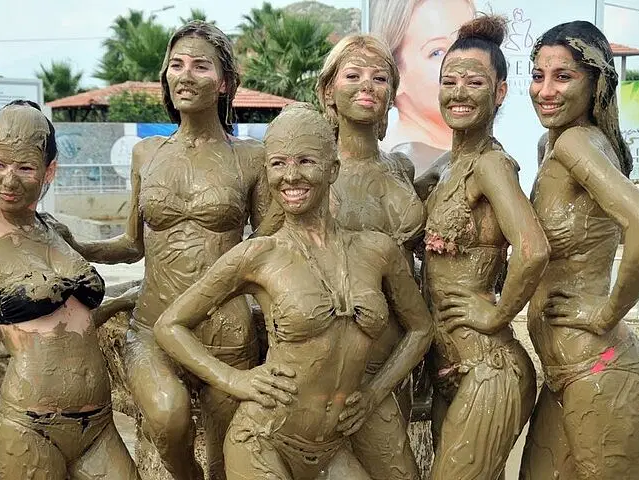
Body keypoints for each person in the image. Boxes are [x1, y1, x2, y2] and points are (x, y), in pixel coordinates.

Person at [154, 103, 433, 480]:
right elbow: (169, 325)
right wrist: (234, 380)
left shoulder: (376, 251)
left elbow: (421, 328)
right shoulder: (259, 255)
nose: (290, 176)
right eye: (278, 164)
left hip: (331, 445)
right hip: (263, 440)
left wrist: (374, 393)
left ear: (332, 170)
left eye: (305, 161)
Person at [57, 22, 273, 480]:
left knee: (226, 459)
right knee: (167, 418)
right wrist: (76, 244)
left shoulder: (251, 157)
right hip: (153, 326)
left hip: (226, 329)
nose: (185, 75)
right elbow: (132, 245)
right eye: (177, 65)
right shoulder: (146, 153)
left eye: (201, 66)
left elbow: (269, 249)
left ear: (225, 83)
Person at [520, 21, 639, 480]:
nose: (546, 90)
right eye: (538, 75)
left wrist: (604, 315)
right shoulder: (551, 145)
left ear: (596, 83)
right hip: (564, 373)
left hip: (600, 369)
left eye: (563, 76)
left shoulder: (575, 143)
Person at [0, 101, 139, 479]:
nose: (10, 181)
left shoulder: (56, 232)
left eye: (25, 167)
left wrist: (122, 301)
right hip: (28, 428)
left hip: (98, 426)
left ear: (49, 171)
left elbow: (71, 318)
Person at [421, 16, 547, 479]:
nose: (459, 92)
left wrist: (496, 315)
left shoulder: (492, 165)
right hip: (449, 368)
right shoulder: (446, 167)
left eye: (474, 82)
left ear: (499, 92)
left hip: (488, 368)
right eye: (449, 81)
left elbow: (533, 250)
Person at [314, 33, 424, 480]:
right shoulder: (315, 176)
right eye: (353, 75)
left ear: (391, 94)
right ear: (328, 92)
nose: (367, 86)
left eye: (380, 78)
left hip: (400, 352)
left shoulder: (402, 168)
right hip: (339, 361)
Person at [371, 0, 475, 174]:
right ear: (394, 74)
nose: (466, 62)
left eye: (471, 43)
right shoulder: (402, 167)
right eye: (438, 52)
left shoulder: (467, 153)